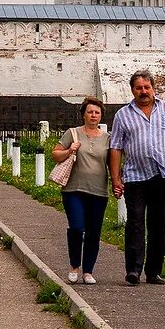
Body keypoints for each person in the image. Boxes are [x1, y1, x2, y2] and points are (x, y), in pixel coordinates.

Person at [107, 71, 165, 286]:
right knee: (134, 222)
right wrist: (116, 178)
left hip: (162, 176)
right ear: (132, 90)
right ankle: (133, 270)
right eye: (139, 88)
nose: (143, 92)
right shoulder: (123, 115)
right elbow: (115, 148)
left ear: (153, 87)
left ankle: (154, 271)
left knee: (158, 224)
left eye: (147, 87)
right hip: (135, 176)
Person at [52, 97, 110, 285]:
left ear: (101, 116)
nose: (93, 115)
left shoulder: (107, 138)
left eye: (97, 112)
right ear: (84, 114)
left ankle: (88, 271)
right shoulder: (73, 133)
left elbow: (113, 162)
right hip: (74, 190)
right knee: (77, 228)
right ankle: (74, 265)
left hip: (99, 192)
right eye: (90, 112)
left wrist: (118, 181)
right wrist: (69, 151)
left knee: (94, 232)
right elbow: (55, 154)